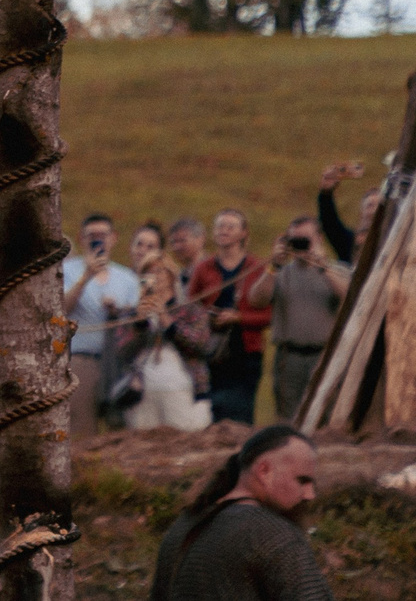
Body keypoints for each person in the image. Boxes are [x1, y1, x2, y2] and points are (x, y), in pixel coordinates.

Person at [151, 424, 330, 601]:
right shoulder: (270, 534)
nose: (310, 495)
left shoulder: (183, 525)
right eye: (302, 481)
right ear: (264, 471)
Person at [247, 215, 350, 422]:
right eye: (295, 240)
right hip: (289, 356)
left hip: (324, 354)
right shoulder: (280, 273)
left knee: (325, 415)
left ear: (319, 239)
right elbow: (256, 300)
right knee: (288, 416)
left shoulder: (336, 269)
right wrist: (274, 266)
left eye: (305, 240)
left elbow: (351, 297)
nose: (300, 246)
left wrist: (323, 267)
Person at [123, 221, 211, 434]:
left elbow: (199, 345)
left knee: (184, 441)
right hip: (143, 392)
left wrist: (165, 318)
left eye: (158, 272)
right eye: (147, 274)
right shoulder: (134, 312)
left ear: (171, 276)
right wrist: (140, 322)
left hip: (183, 387)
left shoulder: (190, 309)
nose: (153, 278)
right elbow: (122, 352)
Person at [188, 210, 271, 426]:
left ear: (243, 233)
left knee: (241, 413)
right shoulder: (203, 268)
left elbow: (269, 315)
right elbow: (189, 308)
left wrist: (238, 318)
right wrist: (207, 317)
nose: (223, 231)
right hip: (211, 350)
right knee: (213, 412)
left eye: (230, 226)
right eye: (219, 226)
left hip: (246, 351)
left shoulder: (257, 268)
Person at [60, 214, 140, 438]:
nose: (97, 240)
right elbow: (60, 309)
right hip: (82, 359)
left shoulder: (127, 278)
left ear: (113, 238)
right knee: (81, 429)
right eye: (91, 236)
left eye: (102, 235)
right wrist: (86, 277)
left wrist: (118, 312)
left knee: (121, 430)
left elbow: (138, 321)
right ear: (81, 238)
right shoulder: (67, 271)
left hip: (119, 362)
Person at [314, 161, 379, 268]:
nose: (374, 210)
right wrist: (325, 193)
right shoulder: (348, 243)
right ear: (361, 213)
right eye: (370, 205)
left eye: (379, 206)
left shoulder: (393, 244)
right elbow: (329, 222)